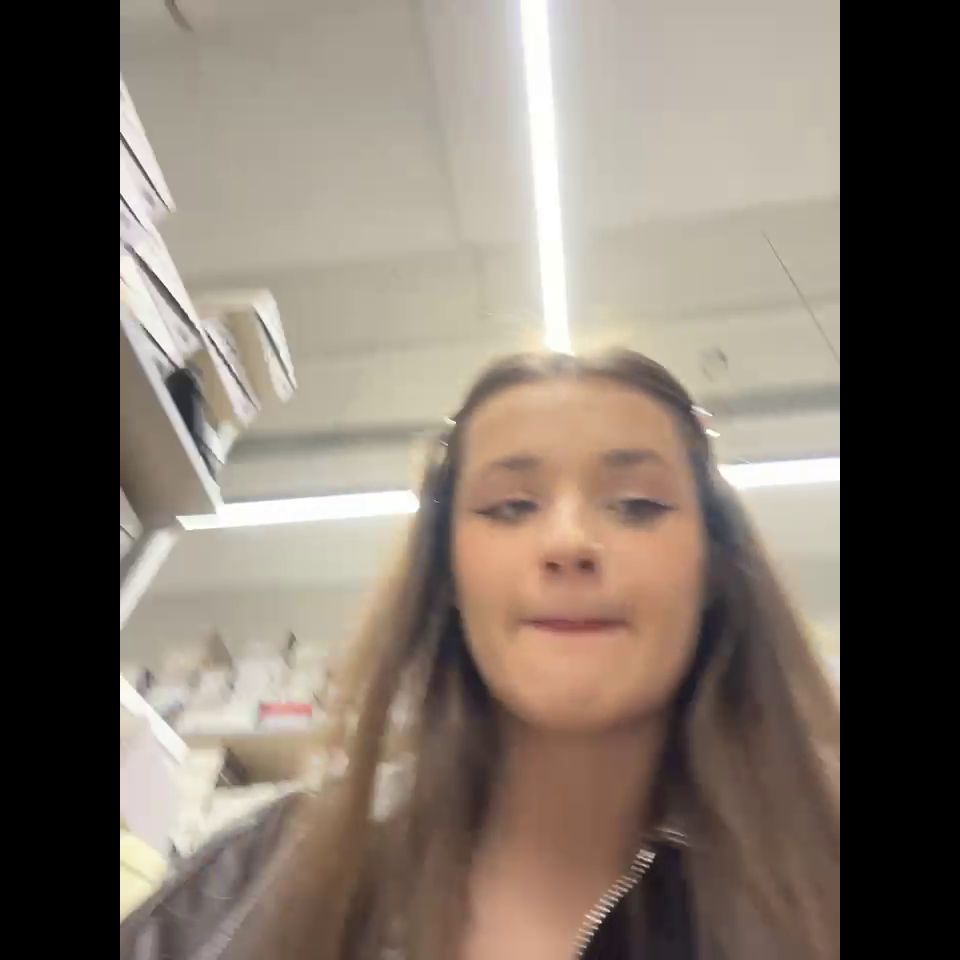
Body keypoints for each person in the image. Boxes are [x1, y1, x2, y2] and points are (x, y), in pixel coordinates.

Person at [121, 350, 840, 960]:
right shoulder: (257, 876)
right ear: (449, 575)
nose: (568, 542)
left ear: (712, 568)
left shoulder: (819, 884)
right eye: (510, 507)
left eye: (637, 505)